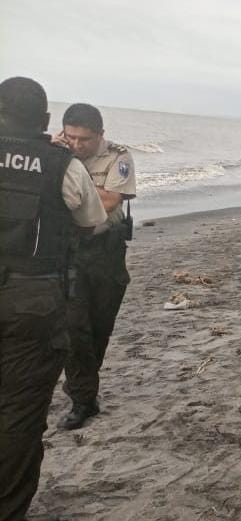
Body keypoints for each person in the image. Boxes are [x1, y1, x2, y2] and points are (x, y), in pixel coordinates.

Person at [0, 77, 106, 521]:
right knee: (19, 418)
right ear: (46, 121)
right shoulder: (61, 164)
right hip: (31, 300)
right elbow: (93, 222)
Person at [53, 103, 136, 430]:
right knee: (75, 329)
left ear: (100, 135)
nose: (76, 145)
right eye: (70, 137)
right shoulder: (54, 154)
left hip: (106, 249)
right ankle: (82, 398)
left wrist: (69, 190)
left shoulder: (118, 156)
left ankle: (85, 386)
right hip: (69, 250)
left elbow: (110, 201)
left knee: (99, 326)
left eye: (84, 139)